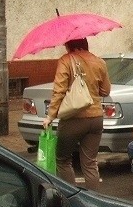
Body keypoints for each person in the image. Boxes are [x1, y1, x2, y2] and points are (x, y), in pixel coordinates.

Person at [42, 38, 112, 190]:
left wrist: (50, 116)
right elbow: (105, 91)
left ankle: (71, 197)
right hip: (96, 118)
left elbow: (59, 90)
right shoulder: (99, 62)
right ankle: (94, 200)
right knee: (90, 163)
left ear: (69, 45)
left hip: (73, 119)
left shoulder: (66, 61)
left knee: (63, 159)